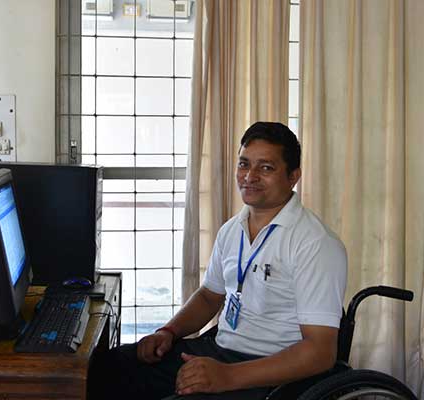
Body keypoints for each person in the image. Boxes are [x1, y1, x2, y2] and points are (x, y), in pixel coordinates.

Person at [88, 122, 347, 400]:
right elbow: (210, 296)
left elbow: (320, 353)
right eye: (244, 164)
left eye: (266, 168)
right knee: (108, 369)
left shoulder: (315, 244)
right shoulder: (233, 229)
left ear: (293, 176)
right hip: (221, 349)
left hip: (272, 373)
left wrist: (227, 376)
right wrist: (169, 331)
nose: (250, 176)